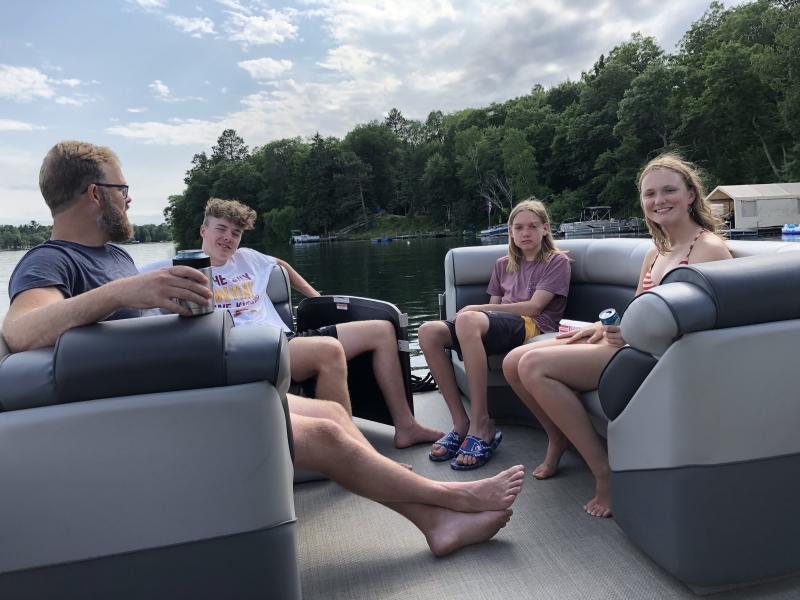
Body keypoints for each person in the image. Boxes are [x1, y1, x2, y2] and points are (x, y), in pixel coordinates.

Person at [3, 140, 523, 556]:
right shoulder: (51, 261)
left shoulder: (113, 257)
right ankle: (453, 498)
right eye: (123, 189)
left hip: (177, 392)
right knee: (326, 431)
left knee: (331, 414)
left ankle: (433, 521)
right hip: (146, 419)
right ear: (95, 194)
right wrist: (127, 292)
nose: (129, 199)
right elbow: (21, 332)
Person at [502, 152, 732, 517]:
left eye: (669, 191)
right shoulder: (657, 251)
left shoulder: (708, 250)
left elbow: (711, 324)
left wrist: (627, 334)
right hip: (634, 343)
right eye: (650, 194)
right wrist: (602, 327)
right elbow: (640, 308)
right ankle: (558, 437)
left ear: (690, 194)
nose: (659, 200)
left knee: (533, 366)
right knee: (513, 361)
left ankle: (604, 472)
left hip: (663, 357)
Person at [142, 198, 443, 449]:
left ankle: (406, 426)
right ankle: (351, 449)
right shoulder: (174, 268)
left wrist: (318, 299)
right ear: (203, 230)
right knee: (328, 350)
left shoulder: (248, 259)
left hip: (286, 340)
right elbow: (127, 286)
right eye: (221, 229)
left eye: (236, 233)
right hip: (243, 352)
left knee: (382, 330)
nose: (228, 238)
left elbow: (281, 265)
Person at [419, 199, 570, 470]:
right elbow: (494, 309)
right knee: (428, 332)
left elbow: (535, 307)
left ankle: (482, 424)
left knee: (468, 319)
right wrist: (478, 315)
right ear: (510, 232)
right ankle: (460, 423)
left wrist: (475, 310)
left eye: (532, 226)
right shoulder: (503, 264)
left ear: (545, 229)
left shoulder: (556, 262)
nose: (525, 233)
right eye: (518, 227)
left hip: (533, 324)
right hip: (503, 326)